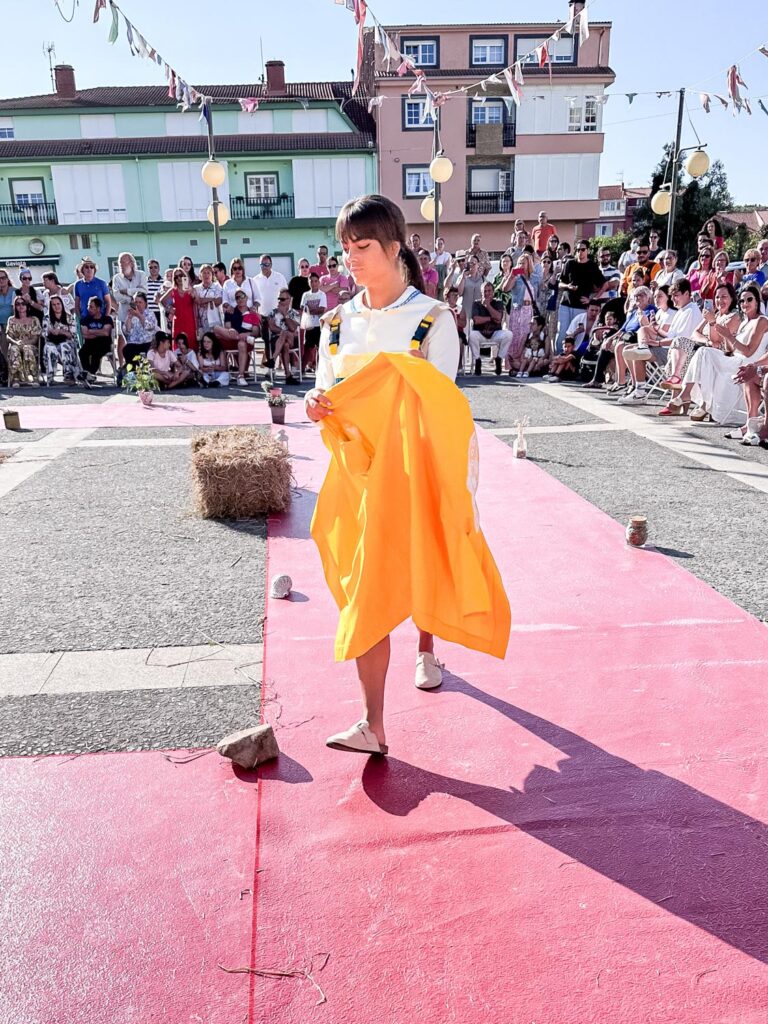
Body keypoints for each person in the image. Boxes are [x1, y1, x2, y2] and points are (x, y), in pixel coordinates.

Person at [306, 193, 479, 758]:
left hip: (413, 474)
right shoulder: (335, 323)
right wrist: (316, 401)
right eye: (345, 248)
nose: (350, 258)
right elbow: (327, 387)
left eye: (362, 246)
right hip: (355, 478)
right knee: (367, 588)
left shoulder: (431, 318)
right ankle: (373, 724)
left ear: (394, 247)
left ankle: (425, 645)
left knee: (417, 566)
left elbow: (443, 404)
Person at [668, 284, 768, 424]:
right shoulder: (745, 321)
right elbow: (731, 349)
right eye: (742, 301)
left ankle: (691, 397)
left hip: (747, 364)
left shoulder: (762, 321)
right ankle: (694, 398)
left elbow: (748, 351)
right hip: (734, 359)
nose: (745, 303)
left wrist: (729, 336)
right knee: (704, 352)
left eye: (749, 299)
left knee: (705, 353)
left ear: (757, 301)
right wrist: (726, 336)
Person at [617, 279, 702, 405]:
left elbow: (681, 341)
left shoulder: (691, 311)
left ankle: (640, 392)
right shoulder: (682, 310)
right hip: (671, 349)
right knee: (633, 346)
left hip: (680, 355)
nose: (673, 299)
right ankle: (642, 353)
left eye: (676, 295)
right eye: (672, 296)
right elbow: (670, 336)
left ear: (687, 294)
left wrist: (657, 343)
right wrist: (657, 329)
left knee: (637, 353)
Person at [659, 283, 739, 402]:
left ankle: (680, 394)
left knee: (690, 350)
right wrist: (706, 340)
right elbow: (695, 333)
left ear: (732, 298)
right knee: (680, 343)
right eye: (717, 297)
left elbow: (717, 341)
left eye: (724, 297)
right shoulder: (715, 314)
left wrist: (712, 323)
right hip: (705, 348)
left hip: (721, 353)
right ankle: (676, 381)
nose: (719, 300)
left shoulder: (734, 316)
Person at [557, 241, 607, 348]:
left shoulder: (592, 266)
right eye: (578, 249)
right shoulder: (569, 263)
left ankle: (573, 360)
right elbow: (560, 283)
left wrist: (592, 300)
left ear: (588, 250)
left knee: (578, 334)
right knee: (562, 333)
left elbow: (605, 284)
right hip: (565, 304)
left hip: (581, 307)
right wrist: (568, 286)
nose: (580, 252)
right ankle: (559, 356)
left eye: (583, 249)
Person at [213, 289, 260, 386]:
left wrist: (246, 335)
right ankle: (239, 338)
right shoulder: (230, 311)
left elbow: (255, 332)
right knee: (216, 328)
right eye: (237, 297)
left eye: (242, 296)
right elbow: (227, 327)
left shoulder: (252, 313)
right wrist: (231, 330)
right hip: (232, 338)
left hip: (246, 341)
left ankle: (241, 376)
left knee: (242, 344)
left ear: (247, 298)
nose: (240, 299)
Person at [469, 281, 512, 376]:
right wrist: (491, 318)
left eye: (489, 291)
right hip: (480, 333)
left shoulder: (498, 302)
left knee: (509, 334)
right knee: (471, 335)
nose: (487, 293)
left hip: (495, 333)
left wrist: (488, 306)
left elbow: (499, 318)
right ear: (481, 293)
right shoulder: (476, 303)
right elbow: (476, 320)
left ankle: (499, 358)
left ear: (493, 292)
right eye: (485, 291)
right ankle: (477, 360)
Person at [505, 254, 538, 372]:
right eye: (519, 263)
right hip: (518, 309)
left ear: (529, 264)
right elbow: (505, 289)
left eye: (523, 263)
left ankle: (523, 362)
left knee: (526, 336)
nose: (521, 265)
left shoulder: (535, 278)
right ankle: (512, 363)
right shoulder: (516, 278)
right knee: (516, 336)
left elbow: (538, 294)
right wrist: (511, 276)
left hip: (530, 310)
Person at [42, 294, 79, 385]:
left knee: (64, 347)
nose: (57, 306)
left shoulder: (69, 317)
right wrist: (50, 331)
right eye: (54, 305)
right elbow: (43, 333)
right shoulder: (47, 318)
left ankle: (68, 374)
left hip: (66, 341)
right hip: (52, 341)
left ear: (62, 304)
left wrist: (62, 331)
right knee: (49, 348)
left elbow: (73, 334)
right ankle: (50, 376)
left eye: (58, 304)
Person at [6, 296, 42, 386]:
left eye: (23, 303)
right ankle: (16, 378)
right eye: (18, 304)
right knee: (14, 349)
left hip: (30, 345)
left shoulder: (34, 319)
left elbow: (36, 338)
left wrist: (26, 343)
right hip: (16, 344)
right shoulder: (11, 320)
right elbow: (8, 336)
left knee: (27, 348)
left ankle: (32, 376)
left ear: (27, 306)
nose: (20, 306)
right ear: (15, 307)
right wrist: (16, 342)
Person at [268, 289, 300, 383]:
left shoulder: (294, 313)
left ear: (289, 300)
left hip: (291, 339)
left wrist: (285, 315)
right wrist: (283, 332)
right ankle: (288, 375)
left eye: (282, 299)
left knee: (286, 334)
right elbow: (271, 327)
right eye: (279, 299)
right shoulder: (273, 312)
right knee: (285, 344)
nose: (280, 301)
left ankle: (273, 359)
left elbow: (293, 328)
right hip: (277, 339)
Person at [78, 297, 115, 379]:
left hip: (104, 344)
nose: (88, 309)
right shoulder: (85, 319)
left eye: (91, 307)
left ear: (98, 308)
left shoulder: (106, 319)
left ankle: (90, 374)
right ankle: (87, 373)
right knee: (82, 352)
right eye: (88, 306)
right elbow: (85, 334)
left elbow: (106, 333)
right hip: (89, 343)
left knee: (96, 353)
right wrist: (99, 332)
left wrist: (91, 331)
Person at [299, 272, 328, 372]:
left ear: (318, 282)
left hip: (319, 325)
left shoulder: (322, 294)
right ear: (309, 282)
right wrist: (311, 310)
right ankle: (302, 369)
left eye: (316, 281)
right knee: (307, 348)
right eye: (311, 281)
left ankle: (319, 368)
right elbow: (303, 308)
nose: (314, 283)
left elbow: (322, 309)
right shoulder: (305, 295)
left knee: (320, 347)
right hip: (309, 325)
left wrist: (310, 310)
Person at [121, 292, 158, 367]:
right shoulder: (131, 313)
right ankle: (133, 372)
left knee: (144, 354)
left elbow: (150, 327)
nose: (138, 304)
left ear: (145, 303)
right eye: (136, 302)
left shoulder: (150, 313)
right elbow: (127, 331)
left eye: (140, 302)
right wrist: (129, 318)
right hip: (133, 343)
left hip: (147, 343)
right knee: (126, 349)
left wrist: (139, 315)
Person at [162, 269, 196, 349]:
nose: (179, 278)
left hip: (190, 320)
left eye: (181, 275)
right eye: (176, 277)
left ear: (184, 276)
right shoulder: (173, 290)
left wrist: (192, 293)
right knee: (178, 345)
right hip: (178, 321)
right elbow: (162, 301)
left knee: (191, 343)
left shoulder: (190, 288)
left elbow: (197, 300)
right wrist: (169, 308)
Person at [111, 252, 148, 327]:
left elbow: (144, 291)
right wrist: (131, 299)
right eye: (120, 262)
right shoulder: (116, 278)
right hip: (124, 316)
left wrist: (127, 291)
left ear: (131, 263)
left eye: (124, 262)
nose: (121, 265)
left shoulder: (141, 275)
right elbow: (116, 296)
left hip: (141, 316)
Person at [252, 254, 288, 324]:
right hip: (262, 317)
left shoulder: (280, 277)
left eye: (266, 264)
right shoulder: (255, 280)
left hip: (278, 316)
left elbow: (287, 296)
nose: (264, 267)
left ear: (271, 265)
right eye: (262, 265)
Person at [193, 263, 224, 338]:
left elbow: (219, 301)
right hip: (201, 321)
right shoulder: (196, 288)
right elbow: (198, 301)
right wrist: (212, 300)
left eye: (208, 273)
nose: (206, 275)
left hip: (214, 319)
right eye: (204, 273)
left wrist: (205, 301)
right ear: (200, 275)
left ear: (212, 275)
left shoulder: (217, 286)